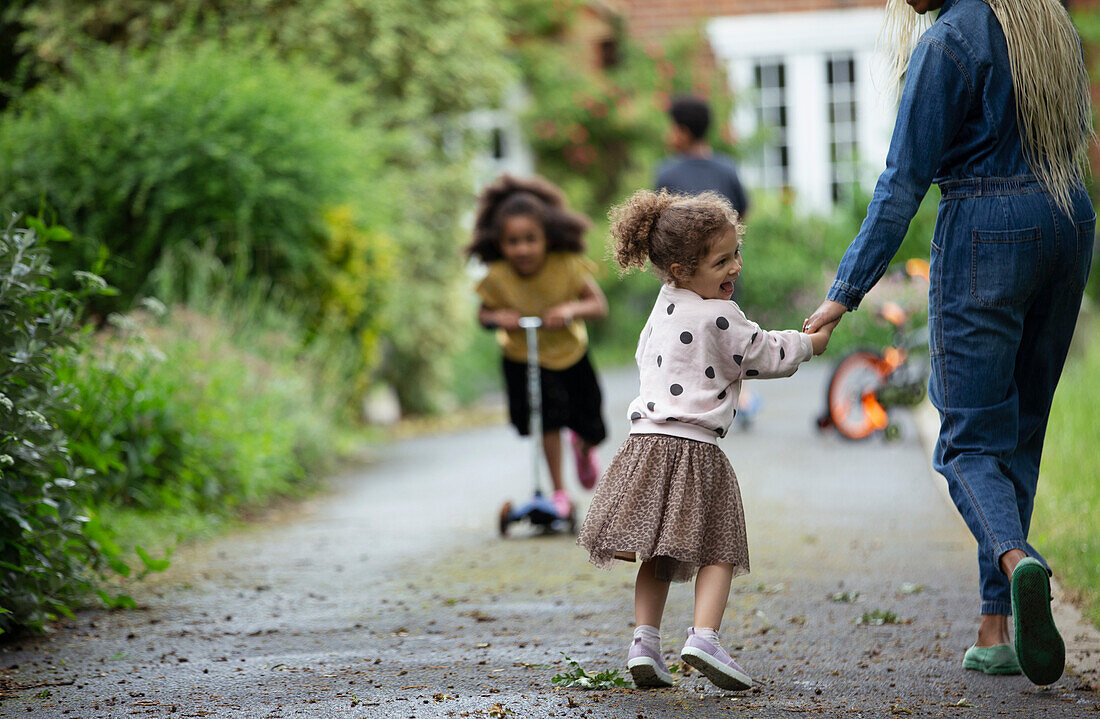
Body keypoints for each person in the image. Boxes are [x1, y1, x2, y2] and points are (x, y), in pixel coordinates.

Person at [803, 0, 1094, 686]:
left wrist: (844, 290)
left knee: (964, 441)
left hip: (987, 229)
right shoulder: (1048, 26)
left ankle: (1018, 562)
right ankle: (996, 628)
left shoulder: (949, 40)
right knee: (1018, 431)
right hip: (1069, 220)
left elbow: (902, 182)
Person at [578, 189, 836, 690]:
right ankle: (704, 637)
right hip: (695, 450)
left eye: (735, 253)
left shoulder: (663, 307)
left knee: (658, 552)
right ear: (680, 269)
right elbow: (764, 353)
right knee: (718, 547)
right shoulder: (719, 316)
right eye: (721, 260)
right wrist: (811, 343)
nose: (734, 267)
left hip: (644, 446)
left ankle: (644, 643)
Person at [468, 174, 610, 519]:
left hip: (570, 354)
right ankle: (559, 491)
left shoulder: (566, 266)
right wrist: (497, 317)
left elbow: (598, 306)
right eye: (513, 241)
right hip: (524, 357)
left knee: (592, 423)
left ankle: (584, 445)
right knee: (546, 422)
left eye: (531, 240)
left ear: (547, 238)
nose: (523, 249)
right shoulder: (498, 276)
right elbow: (483, 314)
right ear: (500, 244)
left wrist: (570, 310)